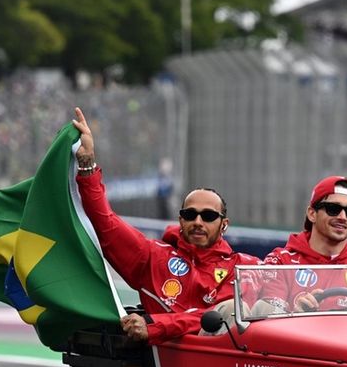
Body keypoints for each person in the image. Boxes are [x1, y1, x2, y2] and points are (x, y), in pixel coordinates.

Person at [71, 107, 259, 343]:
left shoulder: (242, 268)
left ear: (224, 224)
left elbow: (214, 318)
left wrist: (154, 326)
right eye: (190, 214)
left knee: (237, 309)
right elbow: (103, 220)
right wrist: (87, 164)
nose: (198, 222)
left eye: (208, 216)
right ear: (181, 220)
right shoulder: (152, 257)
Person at [257, 175, 347, 313]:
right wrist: (295, 314)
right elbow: (268, 315)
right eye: (333, 209)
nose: (342, 217)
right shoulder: (281, 261)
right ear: (312, 214)